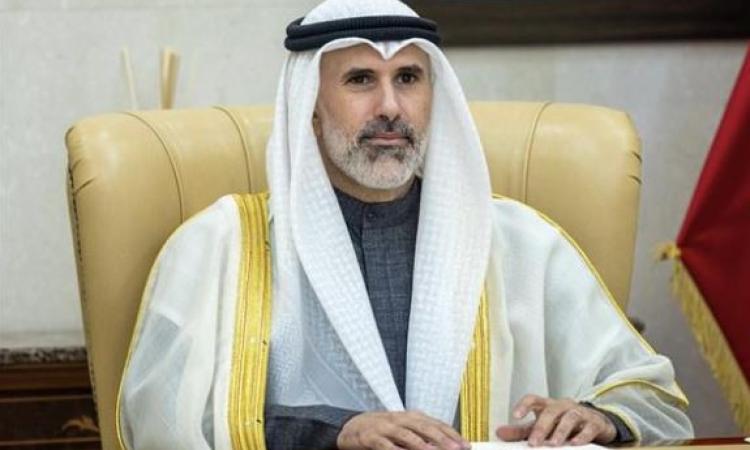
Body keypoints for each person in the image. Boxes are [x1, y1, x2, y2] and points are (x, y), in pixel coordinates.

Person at [117, 0, 694, 449]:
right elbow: (164, 424)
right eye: (361, 80)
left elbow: (651, 397)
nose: (391, 107)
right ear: (309, 107)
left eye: (409, 79)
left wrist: (596, 417)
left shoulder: (520, 243)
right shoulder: (221, 246)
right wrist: (336, 432)